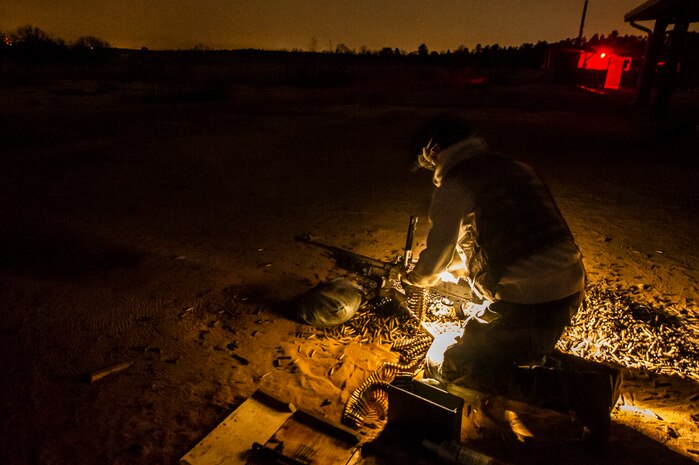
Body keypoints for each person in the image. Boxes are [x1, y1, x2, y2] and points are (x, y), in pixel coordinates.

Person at [402, 113, 620, 449]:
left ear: (433, 151)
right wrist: (462, 270)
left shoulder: (455, 184)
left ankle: (582, 392)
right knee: (515, 344)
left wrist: (417, 276)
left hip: (530, 305)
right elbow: (512, 239)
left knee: (456, 366)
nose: (428, 167)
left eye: (425, 159)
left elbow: (434, 262)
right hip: (569, 291)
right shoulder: (517, 167)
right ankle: (599, 376)